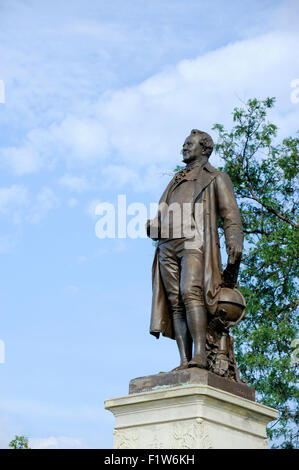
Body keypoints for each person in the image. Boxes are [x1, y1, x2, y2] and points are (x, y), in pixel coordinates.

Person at [147, 129, 243, 371]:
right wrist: (153, 226)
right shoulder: (176, 180)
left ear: (205, 149)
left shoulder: (216, 178)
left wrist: (235, 239)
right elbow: (161, 212)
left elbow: (230, 214)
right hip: (167, 243)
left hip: (194, 240)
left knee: (191, 292)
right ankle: (183, 360)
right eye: (184, 143)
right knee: (175, 301)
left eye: (189, 144)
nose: (184, 147)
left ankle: (200, 354)